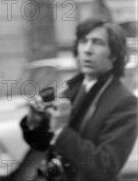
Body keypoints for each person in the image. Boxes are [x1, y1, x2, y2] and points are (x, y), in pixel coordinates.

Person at [19, 18, 137, 181]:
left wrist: (61, 132)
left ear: (115, 54)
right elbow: (42, 145)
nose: (87, 50)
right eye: (83, 41)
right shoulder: (71, 87)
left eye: (98, 43)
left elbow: (106, 167)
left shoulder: (124, 102)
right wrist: (35, 123)